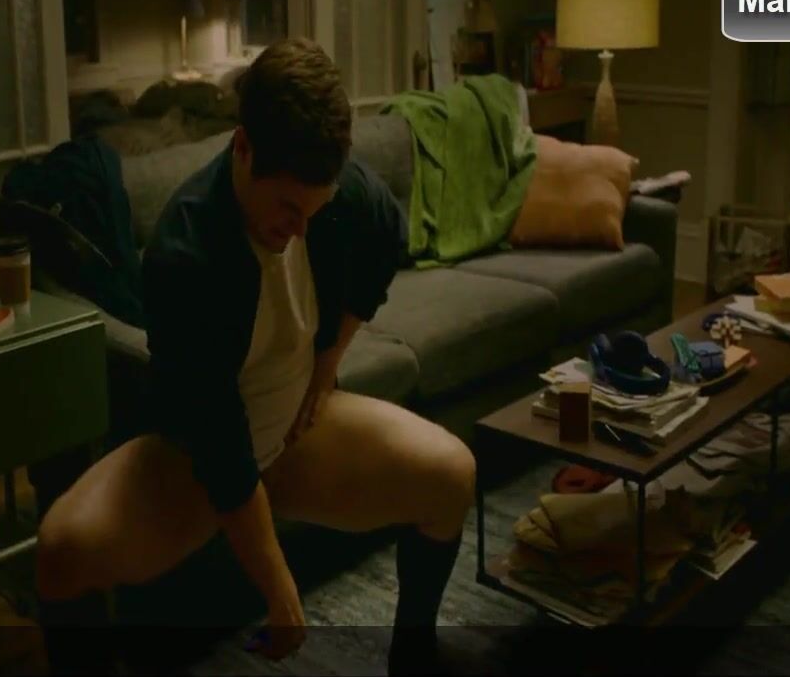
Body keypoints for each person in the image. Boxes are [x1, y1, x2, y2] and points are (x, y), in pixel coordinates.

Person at [33, 37, 476, 675]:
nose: (299, 229)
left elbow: (385, 240)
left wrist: (327, 364)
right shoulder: (187, 254)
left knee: (452, 475)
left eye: (314, 210)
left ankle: (414, 658)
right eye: (287, 208)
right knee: (61, 551)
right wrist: (279, 589)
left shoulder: (334, 191)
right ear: (242, 147)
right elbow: (221, 451)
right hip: (195, 462)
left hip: (297, 433)